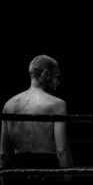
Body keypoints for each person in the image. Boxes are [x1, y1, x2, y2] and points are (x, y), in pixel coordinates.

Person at [0, 54, 74, 185]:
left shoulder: (9, 104)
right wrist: (69, 179)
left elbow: (4, 153)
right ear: (46, 74)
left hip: (18, 175)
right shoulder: (57, 104)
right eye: (56, 76)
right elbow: (61, 150)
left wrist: (3, 180)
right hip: (48, 173)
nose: (57, 81)